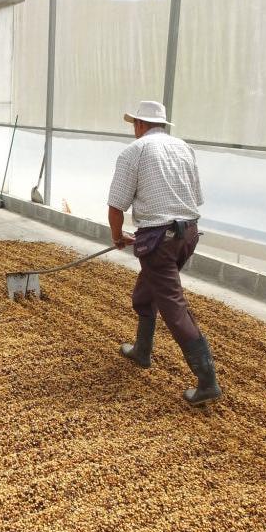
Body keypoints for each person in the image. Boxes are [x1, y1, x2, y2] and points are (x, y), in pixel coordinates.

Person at [108, 100, 222, 406]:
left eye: (134, 123)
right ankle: (142, 351)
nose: (134, 128)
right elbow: (196, 197)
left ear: (140, 125)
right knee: (145, 296)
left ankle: (207, 381)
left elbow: (116, 206)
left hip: (159, 241)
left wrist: (117, 237)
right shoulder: (184, 148)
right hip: (188, 234)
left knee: (174, 307)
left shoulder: (134, 152)